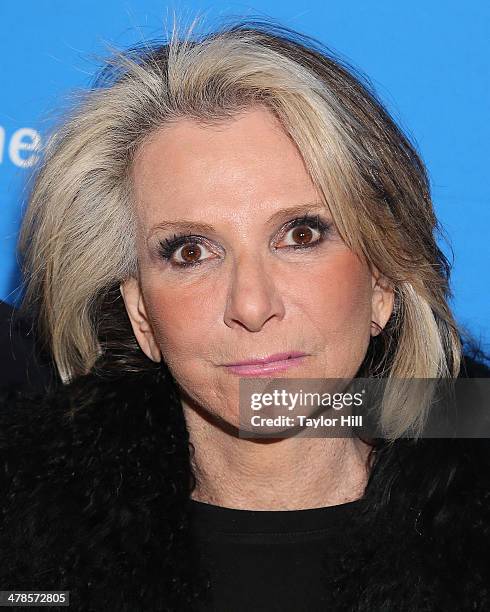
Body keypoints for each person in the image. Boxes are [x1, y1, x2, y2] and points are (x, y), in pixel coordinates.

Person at [0, 16, 489, 611]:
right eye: (190, 251)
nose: (252, 306)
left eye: (301, 234)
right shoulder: (29, 553)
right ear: (142, 315)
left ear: (382, 281)